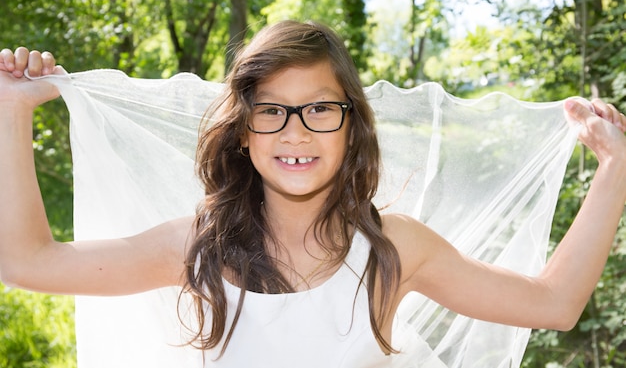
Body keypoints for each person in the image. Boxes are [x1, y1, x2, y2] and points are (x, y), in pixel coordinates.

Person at [0, 20, 625, 367]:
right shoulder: (199, 245)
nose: (295, 132)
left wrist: (616, 170)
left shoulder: (395, 249)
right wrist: (13, 111)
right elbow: (28, 263)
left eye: (320, 109)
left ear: (352, 125)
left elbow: (554, 304)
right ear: (243, 132)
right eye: (271, 111)